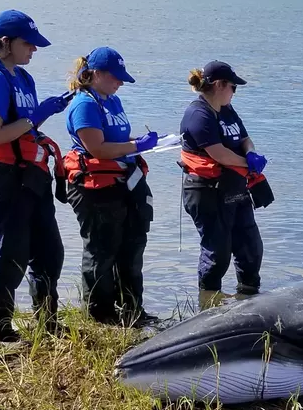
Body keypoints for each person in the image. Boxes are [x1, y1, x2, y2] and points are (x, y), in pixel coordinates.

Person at [0, 9, 70, 342]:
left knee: (50, 252)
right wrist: (37, 116)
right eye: (28, 44)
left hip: (32, 177)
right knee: (9, 255)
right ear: (5, 43)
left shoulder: (23, 77)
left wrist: (43, 113)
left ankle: (48, 322)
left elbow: (24, 125)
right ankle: (1, 328)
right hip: (3, 179)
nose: (33, 50)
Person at [63, 47, 159, 326]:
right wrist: (136, 145)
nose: (119, 83)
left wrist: (143, 141)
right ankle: (100, 315)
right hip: (95, 188)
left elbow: (118, 137)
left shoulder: (112, 101)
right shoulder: (85, 105)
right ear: (96, 74)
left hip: (124, 184)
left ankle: (132, 311)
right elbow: (98, 148)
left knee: (132, 247)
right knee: (102, 250)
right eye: (115, 77)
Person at [179, 61, 270, 310]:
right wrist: (247, 163)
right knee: (217, 253)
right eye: (232, 86)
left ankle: (248, 303)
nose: (233, 91)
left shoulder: (227, 109)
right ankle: (207, 307)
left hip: (235, 188)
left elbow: (244, 138)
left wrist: (251, 153)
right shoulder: (199, 114)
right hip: (206, 191)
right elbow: (219, 154)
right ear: (219, 85)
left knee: (251, 248)